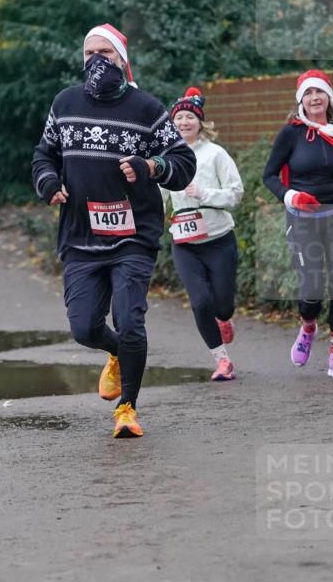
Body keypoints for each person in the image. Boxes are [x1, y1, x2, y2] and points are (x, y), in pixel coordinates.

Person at [32, 23, 196, 437]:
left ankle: (127, 408)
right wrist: (49, 182)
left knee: (130, 321)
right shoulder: (65, 103)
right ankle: (115, 355)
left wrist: (151, 167)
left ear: (123, 60)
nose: (96, 61)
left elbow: (182, 162)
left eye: (105, 53)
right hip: (80, 237)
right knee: (84, 328)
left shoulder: (145, 108)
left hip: (132, 236)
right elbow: (43, 155)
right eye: (89, 54)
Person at [263, 69, 333, 379]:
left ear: (328, 97)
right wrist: (291, 196)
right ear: (301, 99)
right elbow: (269, 176)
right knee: (311, 288)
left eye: (320, 92)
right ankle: (308, 326)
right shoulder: (292, 133)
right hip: (303, 221)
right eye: (309, 93)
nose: (315, 98)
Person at [162, 87, 244, 381]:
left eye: (189, 117)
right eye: (179, 118)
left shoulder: (215, 154)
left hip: (219, 240)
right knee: (199, 302)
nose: (184, 122)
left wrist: (204, 193)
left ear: (200, 122)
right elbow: (157, 198)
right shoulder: (167, 158)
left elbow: (236, 194)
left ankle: (225, 317)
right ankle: (222, 361)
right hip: (184, 244)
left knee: (222, 303)